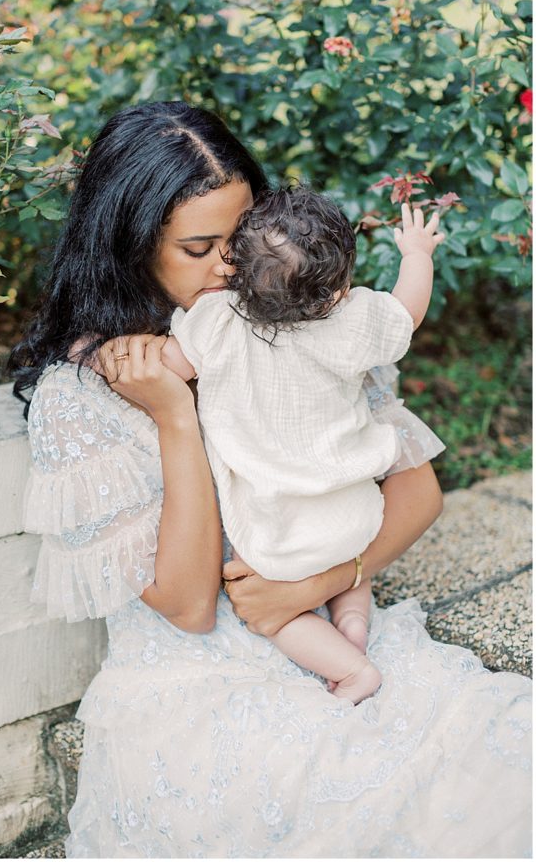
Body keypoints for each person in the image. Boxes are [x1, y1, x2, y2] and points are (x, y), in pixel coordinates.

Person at [10, 101, 531, 858]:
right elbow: (189, 607)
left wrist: (323, 579)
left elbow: (417, 493)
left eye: (242, 236)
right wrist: (174, 421)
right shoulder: (86, 390)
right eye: (199, 248)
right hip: (195, 684)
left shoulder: (295, 318)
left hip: (324, 619)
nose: (230, 268)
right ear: (132, 247)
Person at [162, 187, 445, 704]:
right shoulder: (351, 320)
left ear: (236, 271)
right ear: (337, 291)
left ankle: (351, 668)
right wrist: (416, 255)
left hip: (277, 532)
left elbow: (173, 366)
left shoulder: (215, 321)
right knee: (349, 550)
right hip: (357, 511)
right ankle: (354, 620)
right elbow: (408, 312)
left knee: (281, 616)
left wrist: (120, 355)